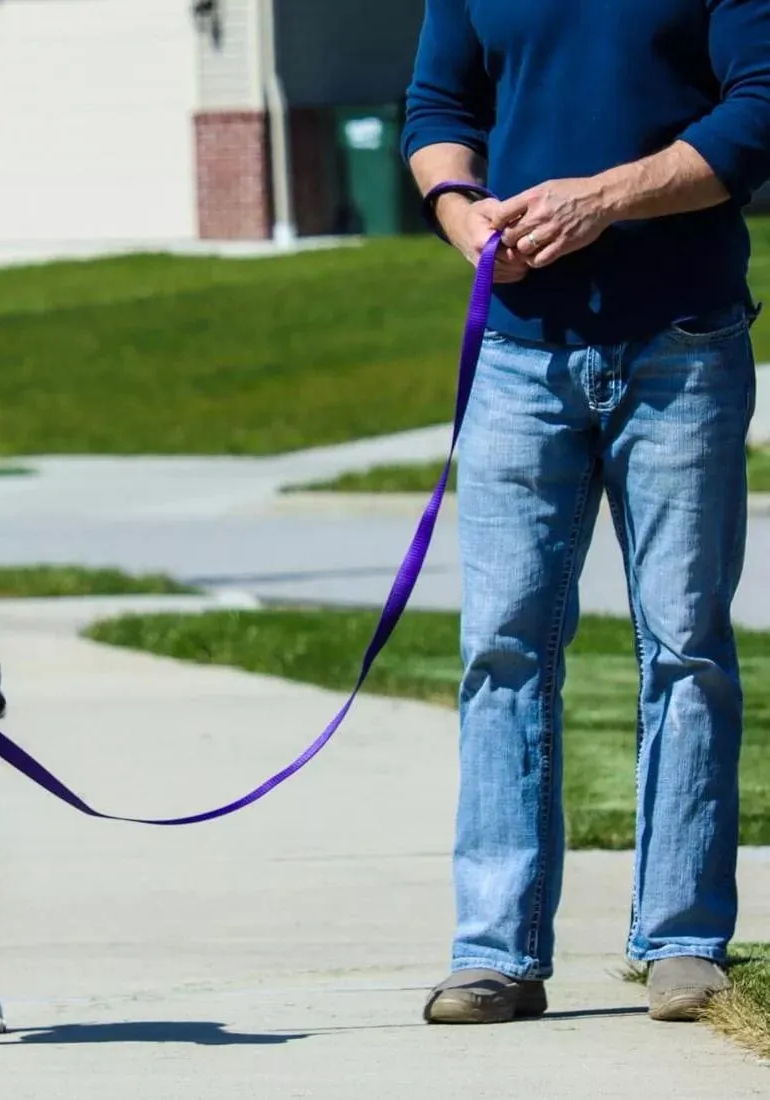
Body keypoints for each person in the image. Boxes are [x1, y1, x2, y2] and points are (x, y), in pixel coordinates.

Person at [402, 0, 770, 1024]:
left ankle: (680, 940)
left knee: (685, 644)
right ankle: (494, 952)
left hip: (680, 344)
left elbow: (756, 109)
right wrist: (460, 208)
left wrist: (604, 198)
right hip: (516, 354)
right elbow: (437, 106)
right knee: (502, 648)